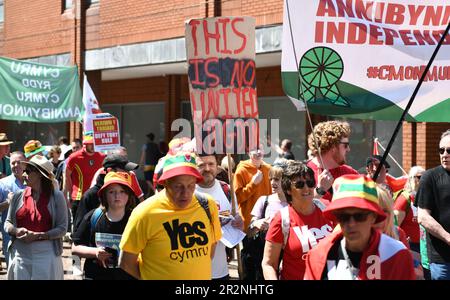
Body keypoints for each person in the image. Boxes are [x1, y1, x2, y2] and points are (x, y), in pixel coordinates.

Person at [119, 152, 221, 280]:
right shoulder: (144, 213)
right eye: (178, 186)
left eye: (191, 186)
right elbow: (126, 262)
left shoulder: (207, 204)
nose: (185, 193)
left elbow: (211, 248)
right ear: (166, 183)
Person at [304, 174, 415, 280]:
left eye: (359, 216)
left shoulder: (396, 255)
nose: (351, 223)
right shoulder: (318, 255)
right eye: (343, 216)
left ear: (373, 217)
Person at [262, 161, 333, 280]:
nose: (306, 188)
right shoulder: (282, 219)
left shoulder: (328, 209)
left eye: (310, 183)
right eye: (299, 184)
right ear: (288, 189)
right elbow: (268, 264)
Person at [4, 155, 68, 280]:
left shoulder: (56, 197)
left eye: (28, 171)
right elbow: (8, 223)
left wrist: (39, 235)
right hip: (20, 254)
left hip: (46, 254)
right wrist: (16, 231)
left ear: (39, 174)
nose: (23, 174)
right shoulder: (18, 196)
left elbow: (62, 228)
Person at [72, 172, 137, 280]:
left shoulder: (136, 219)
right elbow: (75, 248)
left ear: (129, 195)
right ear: (104, 195)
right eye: (112, 192)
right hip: (95, 275)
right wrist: (95, 252)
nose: (117, 196)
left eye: (122, 191)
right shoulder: (93, 217)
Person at [195, 154, 244, 280]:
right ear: (194, 167)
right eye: (201, 165)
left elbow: (236, 218)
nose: (207, 168)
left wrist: (239, 222)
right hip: (192, 271)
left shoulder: (227, 189)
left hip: (220, 270)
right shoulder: (188, 191)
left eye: (211, 164)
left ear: (217, 167)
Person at [73, 153, 142, 234]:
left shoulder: (130, 193)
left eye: (122, 192)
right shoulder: (90, 196)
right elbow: (78, 234)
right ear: (110, 171)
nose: (130, 173)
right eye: (125, 170)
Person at [233, 147, 272, 280]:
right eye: (254, 150)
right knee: (250, 257)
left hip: (267, 222)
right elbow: (237, 198)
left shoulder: (268, 169)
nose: (257, 153)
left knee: (265, 257)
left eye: (260, 149)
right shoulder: (241, 170)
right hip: (249, 222)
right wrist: (253, 184)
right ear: (248, 152)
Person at [417, 129, 450, 280]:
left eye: (449, 150)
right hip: (441, 261)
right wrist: (448, 237)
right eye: (441, 150)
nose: (444, 154)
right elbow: (422, 217)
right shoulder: (429, 177)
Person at [247, 165, 288, 280]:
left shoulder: (294, 203)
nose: (273, 182)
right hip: (264, 254)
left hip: (287, 257)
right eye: (271, 179)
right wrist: (256, 224)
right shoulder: (264, 200)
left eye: (277, 179)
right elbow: (249, 232)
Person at [307, 121, 359, 205]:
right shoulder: (302, 173)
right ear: (333, 147)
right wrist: (320, 190)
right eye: (345, 145)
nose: (348, 149)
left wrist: (377, 182)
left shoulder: (351, 174)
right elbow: (299, 207)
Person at [63, 135, 106, 231]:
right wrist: (68, 194)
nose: (93, 146)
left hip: (96, 196)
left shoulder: (102, 156)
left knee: (95, 224)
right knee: (78, 226)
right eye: (91, 144)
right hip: (78, 197)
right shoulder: (74, 157)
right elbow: (67, 176)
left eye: (95, 144)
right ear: (85, 144)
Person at [0, 151, 27, 266]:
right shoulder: (3, 184)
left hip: (30, 235)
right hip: (10, 238)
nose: (16, 165)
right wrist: (8, 202)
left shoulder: (34, 181)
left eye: (19, 162)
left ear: (26, 163)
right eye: (13, 163)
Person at [394, 166, 424, 256]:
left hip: (424, 246)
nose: (423, 180)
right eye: (419, 177)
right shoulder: (404, 199)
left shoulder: (424, 197)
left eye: (424, 177)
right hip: (409, 246)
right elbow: (394, 226)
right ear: (411, 179)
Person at [139, 133, 162, 197]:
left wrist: (141, 164)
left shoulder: (145, 146)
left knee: (147, 180)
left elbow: (143, 156)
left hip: (147, 166)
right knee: (151, 180)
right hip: (154, 165)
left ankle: (155, 191)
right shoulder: (156, 145)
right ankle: (149, 193)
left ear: (148, 138)